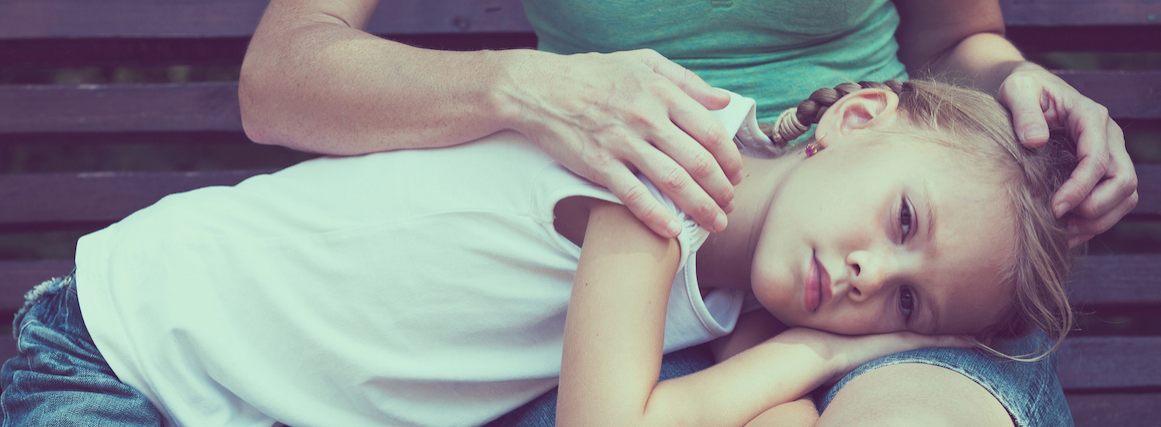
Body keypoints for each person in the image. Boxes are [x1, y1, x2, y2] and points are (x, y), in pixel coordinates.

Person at [238, 1, 1137, 424]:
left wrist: (1013, 83)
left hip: (873, 237)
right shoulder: (637, 213)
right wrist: (523, 86)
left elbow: (957, 39)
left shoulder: (897, 264)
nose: (881, 273)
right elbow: (279, 79)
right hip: (619, 259)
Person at [0, 79, 1085, 426]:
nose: (867, 277)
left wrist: (792, 363)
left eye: (904, 307)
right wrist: (818, 354)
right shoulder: (661, 161)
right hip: (132, 346)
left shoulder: (741, 280)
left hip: (262, 402)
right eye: (903, 223)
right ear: (854, 117)